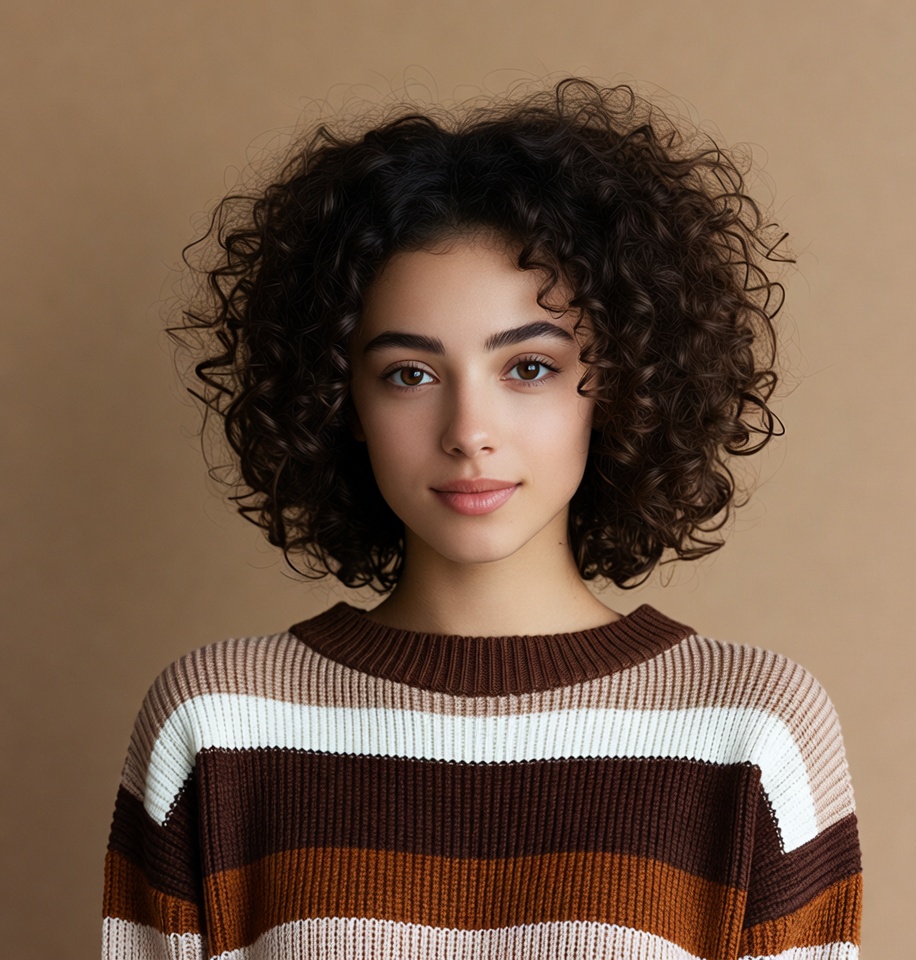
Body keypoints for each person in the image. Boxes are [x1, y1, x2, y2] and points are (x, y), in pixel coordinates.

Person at [101, 78, 862, 959]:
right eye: (410, 374)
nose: (469, 434)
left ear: (620, 383)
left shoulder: (754, 733)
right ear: (339, 401)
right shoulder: (216, 725)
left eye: (528, 369)